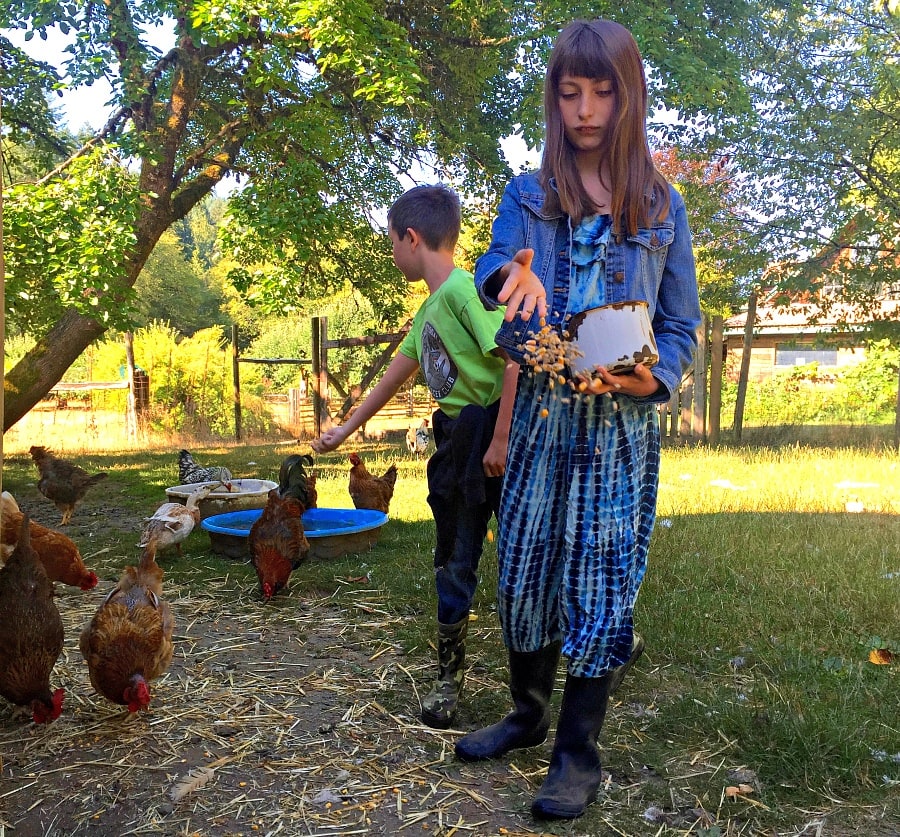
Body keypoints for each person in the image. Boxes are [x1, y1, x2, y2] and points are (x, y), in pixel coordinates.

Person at [453, 19, 702, 821]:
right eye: (570, 93)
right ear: (553, 100)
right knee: (523, 572)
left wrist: (650, 377)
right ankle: (527, 714)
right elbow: (495, 263)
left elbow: (680, 326)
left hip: (617, 434)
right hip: (540, 422)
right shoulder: (528, 195)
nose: (586, 109)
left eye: (602, 91)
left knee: (599, 582)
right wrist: (505, 282)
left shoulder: (662, 207)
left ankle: (576, 751)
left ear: (628, 97)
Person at [311, 184, 519, 729]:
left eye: (392, 243)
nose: (392, 254)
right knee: (454, 559)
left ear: (411, 237)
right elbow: (391, 378)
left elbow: (514, 354)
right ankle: (448, 679)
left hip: (493, 440)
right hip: (455, 442)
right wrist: (345, 430)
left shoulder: (463, 292)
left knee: (530, 554)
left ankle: (606, 637)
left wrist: (499, 439)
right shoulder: (430, 308)